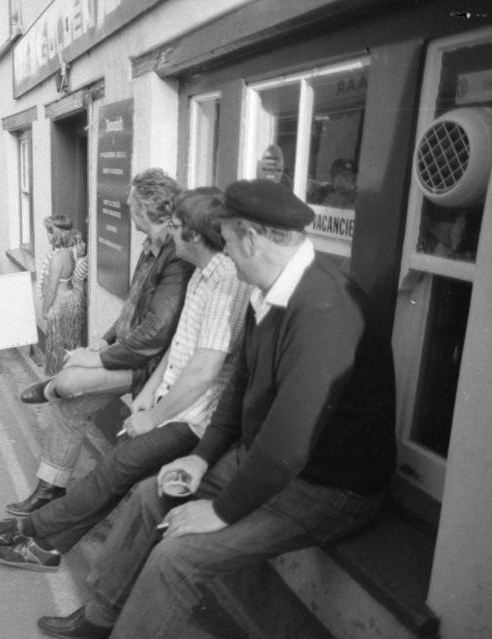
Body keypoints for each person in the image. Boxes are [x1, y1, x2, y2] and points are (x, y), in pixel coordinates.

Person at [33, 179, 396, 639]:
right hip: (270, 461)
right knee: (150, 494)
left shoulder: (326, 309)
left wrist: (221, 511)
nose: (223, 254)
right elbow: (238, 389)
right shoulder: (267, 290)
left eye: (226, 241)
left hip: (329, 487)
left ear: (250, 238)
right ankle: (100, 619)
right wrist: (202, 458)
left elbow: (288, 444)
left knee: (176, 557)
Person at [0, 188, 251, 571]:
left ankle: (29, 527)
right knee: (117, 473)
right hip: (171, 398)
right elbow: (179, 345)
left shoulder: (227, 280)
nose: (168, 233)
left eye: (175, 226)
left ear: (193, 234)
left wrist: (152, 417)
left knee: (116, 467)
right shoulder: (202, 273)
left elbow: (204, 367)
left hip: (197, 418)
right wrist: (149, 394)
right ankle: (47, 549)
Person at [11, 168, 192, 516]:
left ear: (144, 209)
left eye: (130, 202)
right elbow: (132, 306)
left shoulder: (175, 255)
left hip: (151, 364)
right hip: (128, 350)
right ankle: (50, 488)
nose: (125, 205)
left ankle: (54, 387)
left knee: (68, 381)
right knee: (70, 406)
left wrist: (99, 360)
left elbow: (156, 334)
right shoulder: (150, 246)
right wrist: (104, 341)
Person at [39, 215, 83, 376]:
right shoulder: (69, 253)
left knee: (57, 348)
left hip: (59, 304)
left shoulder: (57, 258)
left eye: (48, 232)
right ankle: (68, 377)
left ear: (55, 234)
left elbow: (51, 290)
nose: (47, 236)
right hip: (70, 301)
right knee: (69, 343)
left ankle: (58, 382)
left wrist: (45, 310)